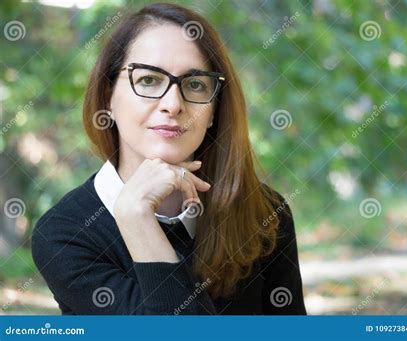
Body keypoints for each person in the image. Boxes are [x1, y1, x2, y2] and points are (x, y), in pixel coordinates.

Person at [31, 2, 306, 315]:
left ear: (214, 109)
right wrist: (137, 218)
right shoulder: (65, 234)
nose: (172, 104)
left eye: (195, 84)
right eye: (149, 80)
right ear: (108, 96)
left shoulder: (264, 214)